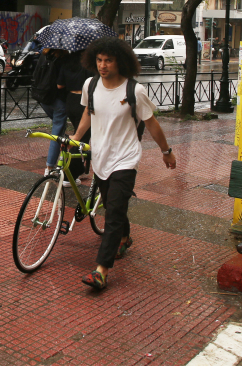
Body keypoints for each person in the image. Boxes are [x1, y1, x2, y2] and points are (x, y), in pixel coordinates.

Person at [73, 37, 177, 290]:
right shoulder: (91, 84)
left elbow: (151, 123)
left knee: (114, 212)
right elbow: (89, 112)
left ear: (121, 62)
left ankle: (101, 270)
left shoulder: (134, 91)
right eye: (99, 60)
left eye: (109, 60)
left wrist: (166, 151)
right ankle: (125, 237)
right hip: (100, 157)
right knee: (112, 206)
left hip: (126, 158)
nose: (103, 65)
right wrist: (76, 138)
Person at [57, 49, 91, 179]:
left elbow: (59, 85)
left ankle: (78, 169)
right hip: (84, 102)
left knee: (79, 134)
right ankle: (71, 173)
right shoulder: (88, 65)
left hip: (70, 100)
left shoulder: (66, 63)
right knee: (81, 138)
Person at [36, 48, 69, 177]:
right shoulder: (63, 59)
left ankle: (62, 154)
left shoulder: (44, 55)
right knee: (57, 133)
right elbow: (62, 83)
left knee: (59, 129)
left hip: (44, 98)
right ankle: (49, 167)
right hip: (59, 100)